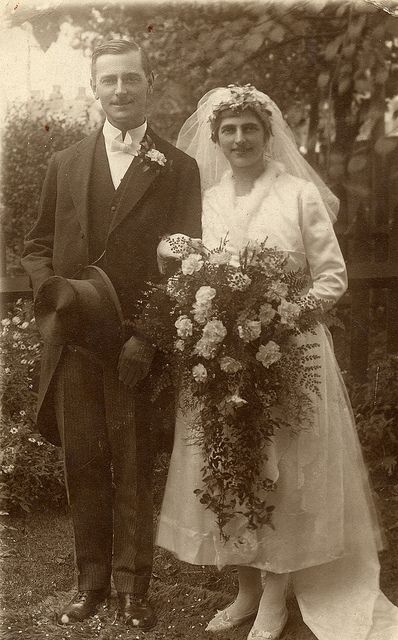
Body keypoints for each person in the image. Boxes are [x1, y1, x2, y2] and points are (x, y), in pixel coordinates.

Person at [155, 85, 398, 639]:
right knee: (232, 469)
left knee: (283, 476)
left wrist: (281, 315)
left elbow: (331, 276)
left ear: (268, 137)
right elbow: (198, 269)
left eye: (251, 129)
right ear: (216, 139)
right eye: (230, 130)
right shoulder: (208, 199)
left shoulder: (297, 195)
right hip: (223, 360)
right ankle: (245, 589)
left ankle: (275, 597)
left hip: (291, 356)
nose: (240, 139)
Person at [21, 39, 201, 628]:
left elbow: (188, 262)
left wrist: (147, 339)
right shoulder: (65, 163)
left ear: (150, 83)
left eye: (131, 79)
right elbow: (37, 246)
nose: (120, 91)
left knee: (132, 464)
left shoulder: (178, 167)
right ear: (94, 89)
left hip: (134, 348)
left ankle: (133, 589)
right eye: (109, 81)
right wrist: (56, 296)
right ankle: (90, 583)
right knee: (85, 463)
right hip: (74, 345)